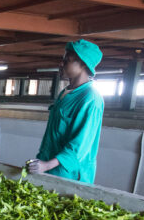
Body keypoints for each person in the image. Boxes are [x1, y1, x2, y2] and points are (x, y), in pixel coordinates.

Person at [26, 39, 104, 184]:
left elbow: (79, 145)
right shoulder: (65, 92)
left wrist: (47, 165)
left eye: (67, 60)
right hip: (49, 166)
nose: (61, 64)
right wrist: (42, 162)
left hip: (69, 174)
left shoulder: (90, 98)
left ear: (83, 64)